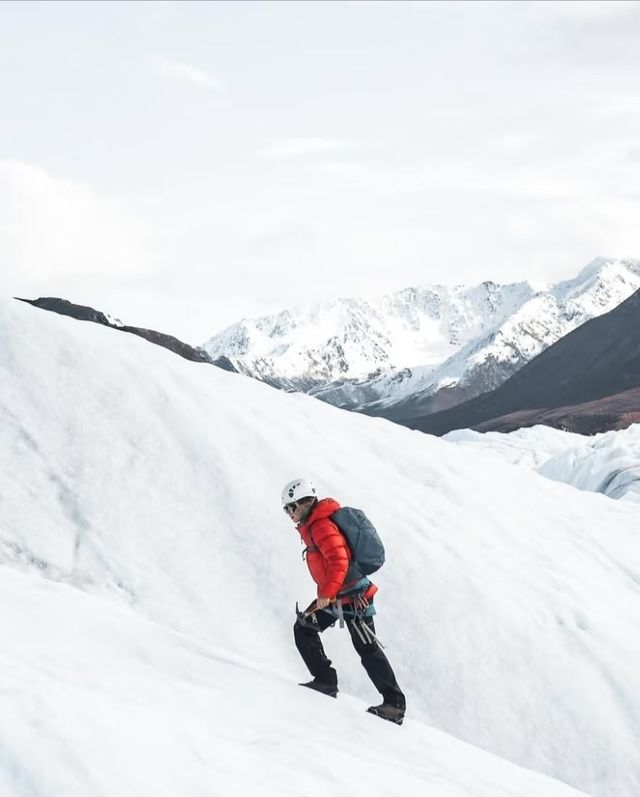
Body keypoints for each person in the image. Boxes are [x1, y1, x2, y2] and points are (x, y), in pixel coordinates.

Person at [282, 477, 406, 724]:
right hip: (338, 595)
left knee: (367, 648)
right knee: (305, 627)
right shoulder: (315, 525)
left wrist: (326, 594)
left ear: (304, 503)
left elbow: (340, 561)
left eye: (290, 507)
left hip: (352, 598)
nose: (289, 514)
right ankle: (325, 682)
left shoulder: (321, 526)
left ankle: (394, 704)